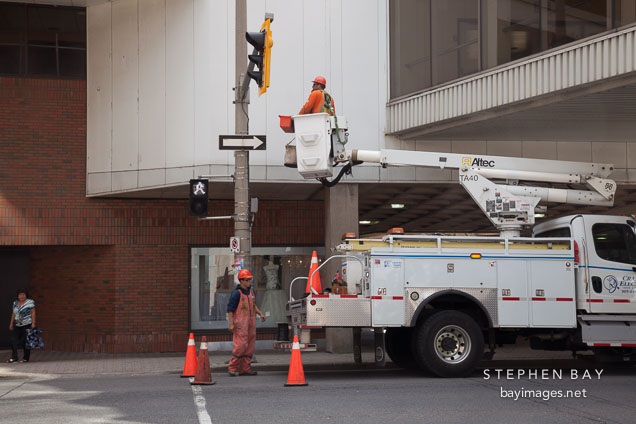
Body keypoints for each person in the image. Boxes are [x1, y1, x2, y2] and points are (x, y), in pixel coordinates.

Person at [227, 269, 266, 376]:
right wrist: (231, 324)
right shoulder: (236, 293)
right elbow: (230, 309)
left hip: (251, 323)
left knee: (250, 346)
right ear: (241, 281)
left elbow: (253, 305)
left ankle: (245, 369)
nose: (249, 281)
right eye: (247, 280)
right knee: (241, 346)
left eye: (250, 279)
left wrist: (260, 313)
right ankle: (232, 367)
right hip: (240, 324)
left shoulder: (252, 291)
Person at [7, 288, 36, 363]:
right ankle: (14, 358)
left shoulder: (30, 302)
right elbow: (13, 313)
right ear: (17, 295)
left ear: (26, 295)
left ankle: (25, 358)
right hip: (17, 324)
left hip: (27, 324)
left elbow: (33, 313)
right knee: (13, 340)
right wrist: (11, 323)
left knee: (25, 341)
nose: (22, 296)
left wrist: (33, 323)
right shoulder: (15, 303)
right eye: (20, 294)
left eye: (23, 294)